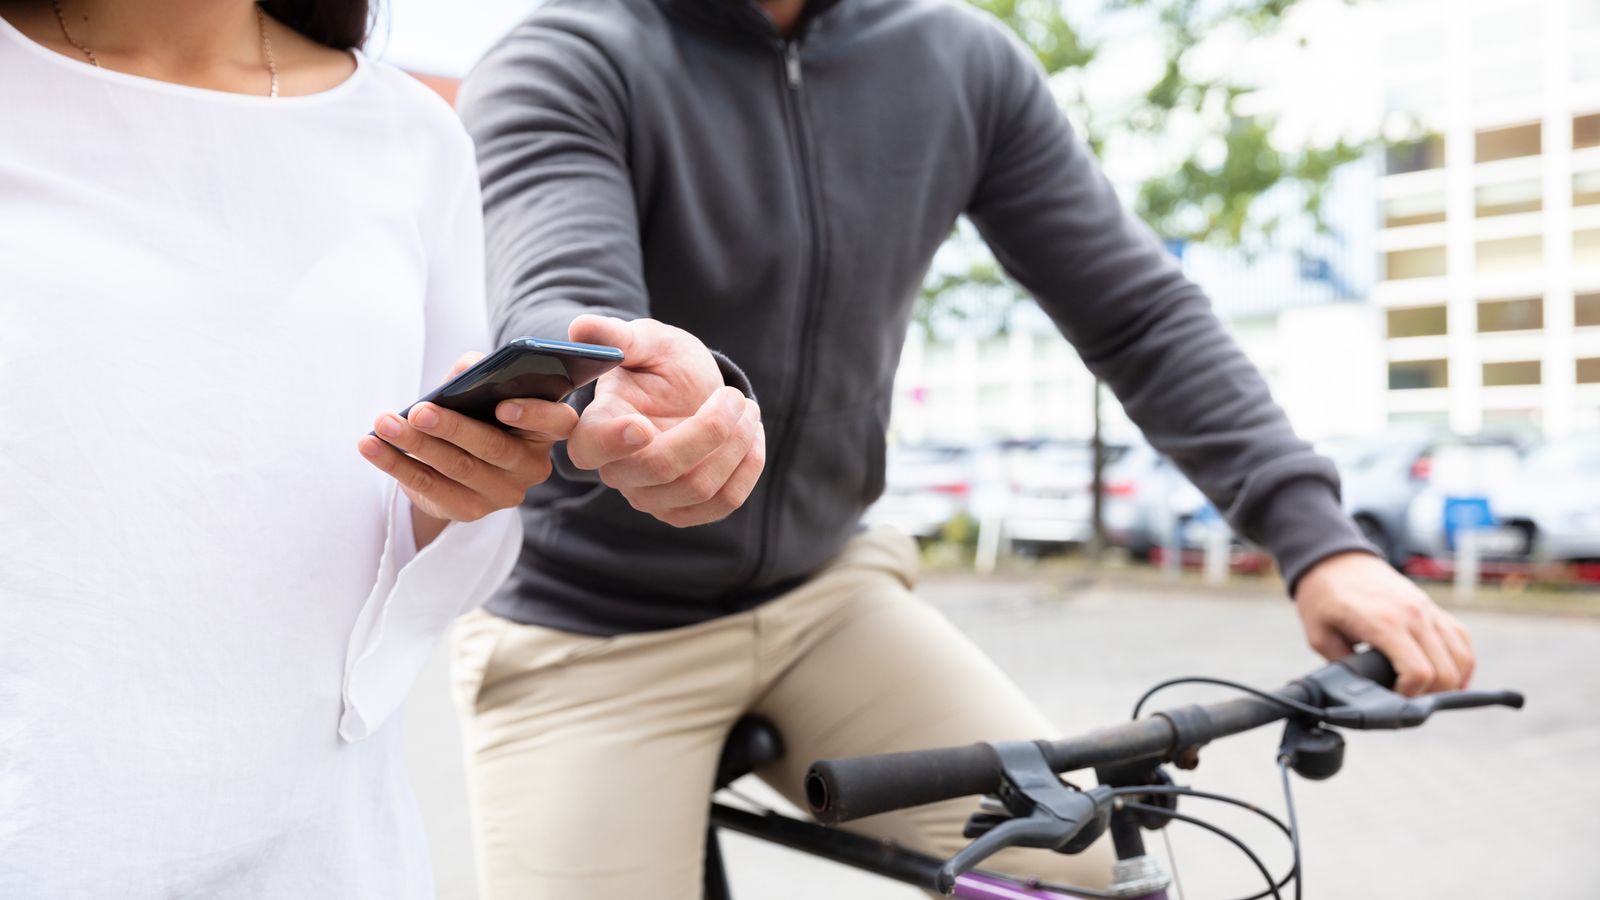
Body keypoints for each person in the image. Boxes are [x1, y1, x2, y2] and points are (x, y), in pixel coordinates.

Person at [450, 0, 1478, 896]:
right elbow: (561, 308)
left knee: (1072, 868)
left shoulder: (959, 60)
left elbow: (1137, 313)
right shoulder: (562, 59)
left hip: (824, 598)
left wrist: (1321, 541)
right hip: (591, 629)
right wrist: (632, 402)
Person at [0, 1, 577, 896]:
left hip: (317, 841)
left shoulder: (410, 134)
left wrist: (456, 489)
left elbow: (429, 548)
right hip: (45, 833)